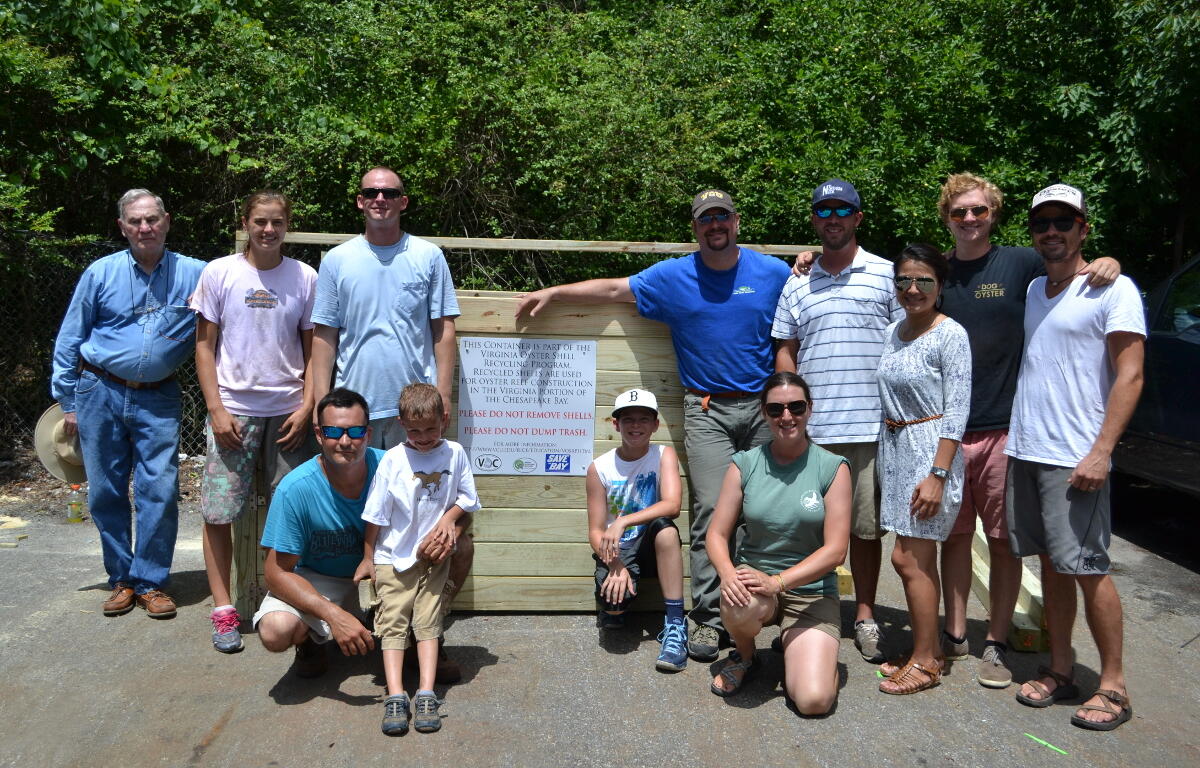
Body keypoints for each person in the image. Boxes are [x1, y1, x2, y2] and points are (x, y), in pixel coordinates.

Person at [516, 190, 790, 661]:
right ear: (696, 228)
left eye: (722, 216)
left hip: (766, 410)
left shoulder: (773, 272)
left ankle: (765, 607)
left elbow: (812, 293)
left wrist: (808, 260)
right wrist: (556, 291)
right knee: (710, 513)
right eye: (706, 219)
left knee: (765, 511)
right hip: (708, 411)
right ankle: (706, 617)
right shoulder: (674, 276)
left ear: (737, 221)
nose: (715, 225)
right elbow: (612, 289)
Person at [936, 173, 1121, 687]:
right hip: (947, 428)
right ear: (946, 217)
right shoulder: (937, 271)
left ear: (994, 214)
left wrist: (1111, 261)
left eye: (979, 211)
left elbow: (1075, 271)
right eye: (959, 212)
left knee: (1001, 543)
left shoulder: (1020, 264)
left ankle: (994, 641)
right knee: (952, 539)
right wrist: (809, 258)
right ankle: (954, 635)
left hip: (1004, 429)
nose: (969, 220)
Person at [308, 166, 470, 679]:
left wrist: (441, 400)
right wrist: (320, 408)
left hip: (412, 420)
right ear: (359, 202)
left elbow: (443, 330)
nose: (380, 199)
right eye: (371, 192)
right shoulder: (337, 260)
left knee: (436, 534)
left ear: (404, 201)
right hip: (354, 417)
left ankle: (428, 633)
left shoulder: (427, 256)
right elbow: (324, 337)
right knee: (360, 525)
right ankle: (355, 631)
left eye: (390, 192)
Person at [1006, 183, 1144, 731]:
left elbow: (1130, 375)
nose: (1052, 232)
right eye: (1043, 223)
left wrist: (1102, 451)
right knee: (1052, 569)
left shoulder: (1114, 289)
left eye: (1064, 222)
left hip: (1075, 455)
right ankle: (1061, 670)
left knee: (1089, 568)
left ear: (1084, 228)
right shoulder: (1038, 288)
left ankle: (1113, 686)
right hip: (1028, 448)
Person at [51, 189, 205, 619]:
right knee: (106, 491)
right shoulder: (100, 274)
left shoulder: (197, 274)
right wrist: (68, 400)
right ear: (122, 227)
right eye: (135, 221)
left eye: (152, 219)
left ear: (167, 221)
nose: (145, 228)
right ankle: (121, 578)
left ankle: (152, 582)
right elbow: (70, 338)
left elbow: (234, 313)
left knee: (160, 489)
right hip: (98, 390)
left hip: (159, 395)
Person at [773, 179, 901, 664]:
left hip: (871, 428)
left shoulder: (887, 275)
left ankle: (864, 615)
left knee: (865, 533)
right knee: (809, 530)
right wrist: (789, 413)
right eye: (823, 210)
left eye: (842, 209)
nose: (833, 217)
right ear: (814, 220)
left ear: (858, 218)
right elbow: (785, 348)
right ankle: (812, 611)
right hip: (814, 433)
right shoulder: (797, 280)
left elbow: (906, 338)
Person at [190, 190, 318, 653]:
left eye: (277, 223)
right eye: (260, 221)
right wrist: (217, 410)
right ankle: (224, 610)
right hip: (234, 415)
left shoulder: (304, 277)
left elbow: (312, 350)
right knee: (218, 513)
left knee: (294, 513)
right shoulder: (219, 272)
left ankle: (286, 602)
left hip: (289, 416)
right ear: (245, 222)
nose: (268, 230)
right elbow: (204, 347)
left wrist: (308, 406)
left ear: (288, 226)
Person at [704, 372, 851, 715]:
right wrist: (727, 574)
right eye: (776, 409)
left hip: (811, 593)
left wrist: (779, 583)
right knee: (738, 602)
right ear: (764, 414)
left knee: (814, 701)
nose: (787, 416)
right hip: (756, 583)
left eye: (796, 407)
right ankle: (745, 655)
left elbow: (835, 550)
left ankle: (797, 647)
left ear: (809, 409)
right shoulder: (745, 464)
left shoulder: (832, 468)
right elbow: (716, 534)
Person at [354, 383, 480, 736]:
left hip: (434, 559)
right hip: (393, 557)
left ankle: (426, 693)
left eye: (430, 429)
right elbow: (375, 516)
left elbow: (468, 499)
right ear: (401, 423)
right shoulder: (393, 459)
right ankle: (395, 695)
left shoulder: (454, 454)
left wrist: (447, 520)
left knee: (428, 623)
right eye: (414, 430)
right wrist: (368, 558)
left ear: (443, 420)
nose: (423, 438)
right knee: (392, 623)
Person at [875, 244, 971, 695]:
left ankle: (928, 660)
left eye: (924, 281)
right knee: (912, 557)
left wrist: (938, 474)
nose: (912, 289)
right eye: (904, 281)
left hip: (929, 453)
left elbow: (957, 412)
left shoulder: (951, 335)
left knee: (909, 558)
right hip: (896, 449)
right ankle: (923, 650)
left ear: (941, 286)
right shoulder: (895, 330)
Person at [253, 388, 380, 678]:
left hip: (381, 573)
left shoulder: (392, 467)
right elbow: (275, 573)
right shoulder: (295, 488)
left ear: (368, 434)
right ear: (319, 435)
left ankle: (425, 638)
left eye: (355, 431)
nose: (345, 441)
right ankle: (310, 641)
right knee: (275, 631)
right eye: (334, 431)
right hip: (322, 579)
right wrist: (331, 613)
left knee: (457, 545)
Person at [587, 388, 687, 672]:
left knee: (667, 529)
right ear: (615, 424)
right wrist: (615, 564)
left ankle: (676, 624)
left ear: (655, 425)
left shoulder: (664, 454)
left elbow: (673, 504)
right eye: (628, 419)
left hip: (652, 545)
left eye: (644, 419)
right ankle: (617, 607)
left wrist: (623, 520)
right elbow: (595, 531)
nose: (636, 425)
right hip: (619, 550)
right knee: (614, 609)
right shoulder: (599, 468)